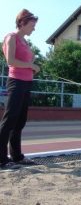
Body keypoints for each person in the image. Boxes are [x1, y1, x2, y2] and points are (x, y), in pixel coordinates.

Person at [0, 9, 40, 169]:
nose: (34, 28)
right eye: (32, 25)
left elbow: (25, 60)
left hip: (26, 83)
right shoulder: (12, 37)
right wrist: (31, 65)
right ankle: (1, 159)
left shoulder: (25, 42)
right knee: (9, 120)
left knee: (20, 121)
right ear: (22, 23)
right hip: (16, 82)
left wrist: (32, 64)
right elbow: (10, 60)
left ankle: (16, 156)